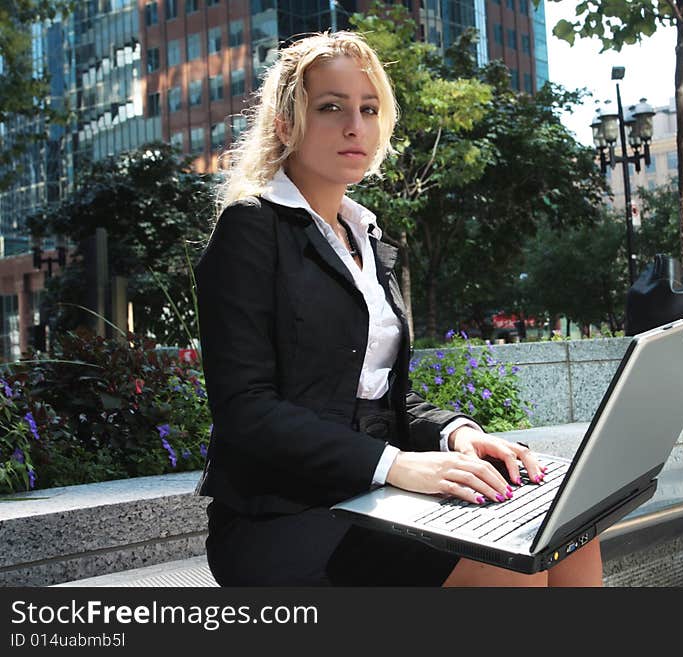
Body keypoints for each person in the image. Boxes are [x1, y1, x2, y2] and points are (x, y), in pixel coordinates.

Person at [194, 31, 602, 587]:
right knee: (506, 562)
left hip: (372, 490)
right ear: (286, 124)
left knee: (568, 525)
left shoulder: (364, 236)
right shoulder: (250, 229)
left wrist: (456, 433)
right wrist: (395, 465)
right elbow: (246, 410)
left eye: (368, 109)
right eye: (331, 107)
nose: (355, 126)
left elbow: (377, 391)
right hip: (284, 515)